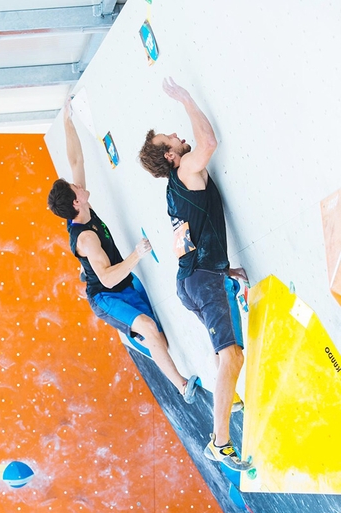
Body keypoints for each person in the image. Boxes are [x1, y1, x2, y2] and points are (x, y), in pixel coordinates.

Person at [47, 97, 201, 404]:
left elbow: (76, 161)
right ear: (76, 202)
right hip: (106, 295)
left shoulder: (81, 205)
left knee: (160, 337)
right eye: (75, 188)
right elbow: (104, 278)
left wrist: (67, 122)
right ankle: (183, 387)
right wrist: (136, 254)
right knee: (148, 328)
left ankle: (145, 339)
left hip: (124, 284)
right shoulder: (86, 238)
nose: (79, 184)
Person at [139, 77, 251, 471]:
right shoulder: (186, 169)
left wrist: (224, 269)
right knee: (232, 356)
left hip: (194, 281)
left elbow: (196, 234)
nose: (175, 134)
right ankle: (219, 442)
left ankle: (229, 398)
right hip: (200, 279)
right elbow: (209, 144)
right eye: (169, 139)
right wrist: (187, 98)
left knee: (229, 356)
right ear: (171, 156)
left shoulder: (175, 185)